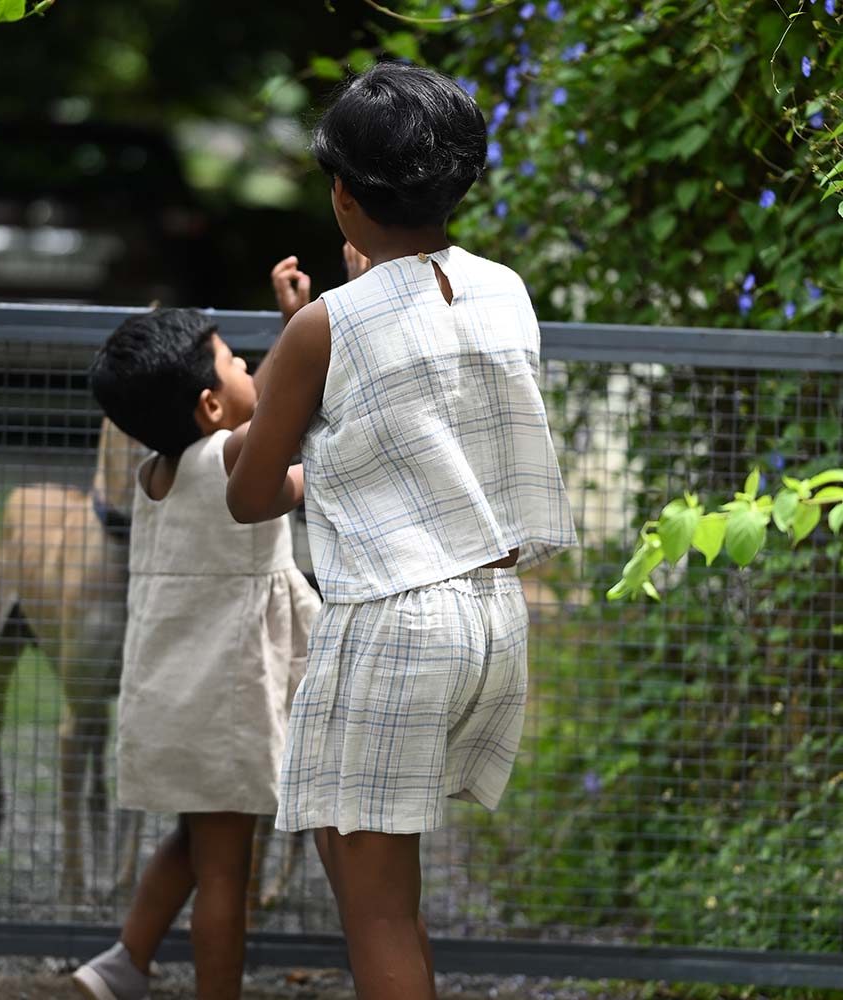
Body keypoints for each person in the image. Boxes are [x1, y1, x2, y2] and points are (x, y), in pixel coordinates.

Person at [226, 62, 578, 1000]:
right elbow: (418, 426)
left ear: (343, 194)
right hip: (492, 614)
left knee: (377, 915)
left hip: (392, 622)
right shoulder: (505, 290)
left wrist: (305, 336)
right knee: (376, 887)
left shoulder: (327, 328)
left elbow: (253, 495)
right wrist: (334, 315)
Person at [71, 305, 321, 1000]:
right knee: (225, 876)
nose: (252, 368)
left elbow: (252, 404)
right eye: (237, 361)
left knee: (193, 841)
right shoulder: (236, 458)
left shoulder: (156, 475)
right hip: (226, 709)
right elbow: (287, 437)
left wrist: (286, 326)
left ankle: (125, 960)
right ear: (211, 404)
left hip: (175, 700)